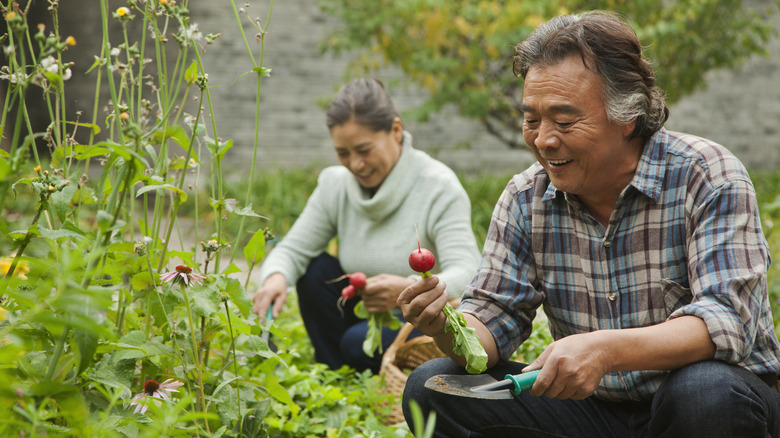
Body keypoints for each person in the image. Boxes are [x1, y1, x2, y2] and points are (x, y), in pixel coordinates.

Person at [398, 11, 780, 437]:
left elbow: (726, 321)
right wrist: (444, 324)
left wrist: (605, 350)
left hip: (711, 399)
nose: (543, 139)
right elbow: (491, 322)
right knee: (432, 387)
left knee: (704, 391)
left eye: (563, 121)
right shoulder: (526, 198)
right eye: (531, 119)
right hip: (596, 411)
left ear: (629, 116)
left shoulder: (706, 175)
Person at [251, 78, 481, 373]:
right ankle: (337, 378)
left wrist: (409, 289)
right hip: (361, 312)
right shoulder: (336, 185)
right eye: (343, 153)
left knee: (357, 342)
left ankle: (359, 373)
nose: (355, 164)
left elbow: (468, 271)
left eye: (364, 150)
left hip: (417, 319)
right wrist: (275, 278)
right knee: (314, 269)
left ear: (396, 131)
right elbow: (293, 249)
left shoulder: (438, 187)